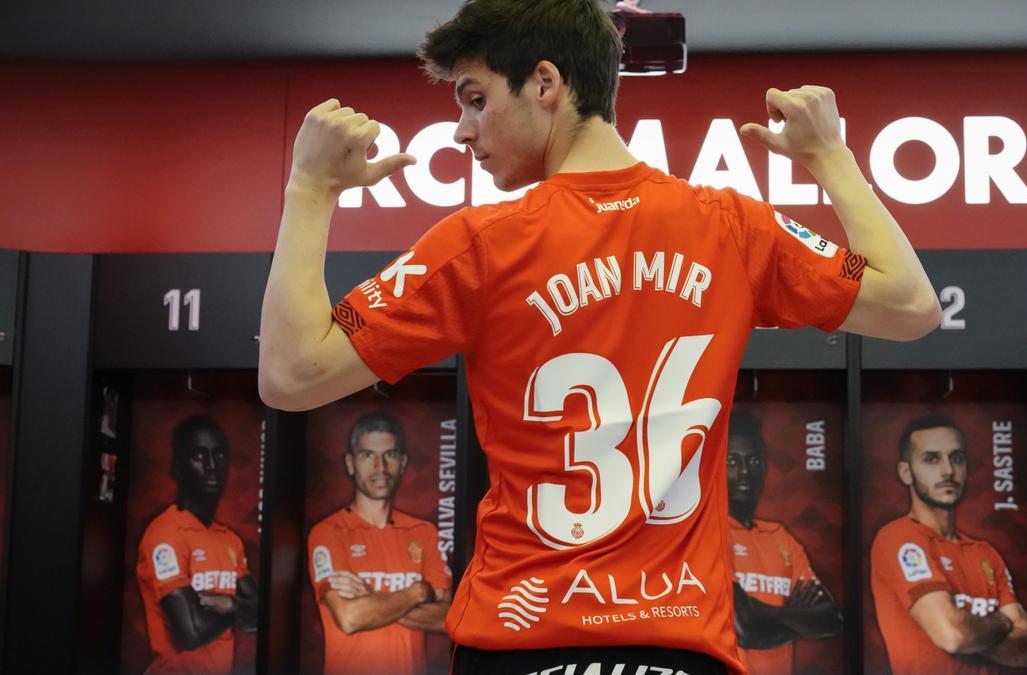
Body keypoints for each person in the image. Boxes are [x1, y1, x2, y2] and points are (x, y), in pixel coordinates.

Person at [258, 0, 939, 670]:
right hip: (681, 651)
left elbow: (289, 375)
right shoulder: (730, 225)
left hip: (519, 645)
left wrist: (311, 188)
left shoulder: (479, 243)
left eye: (474, 98)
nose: (463, 131)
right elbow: (911, 305)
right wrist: (829, 155)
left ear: (546, 84)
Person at [870, 415, 1027, 674]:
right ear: (905, 472)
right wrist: (1001, 624)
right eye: (932, 459)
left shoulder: (986, 553)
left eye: (956, 458)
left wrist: (971, 632)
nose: (948, 471)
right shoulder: (897, 538)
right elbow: (953, 635)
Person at [308, 412, 452, 674]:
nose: (380, 467)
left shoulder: (424, 532)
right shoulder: (328, 533)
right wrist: (416, 594)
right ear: (350, 463)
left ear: (403, 462)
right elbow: (350, 618)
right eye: (367, 455)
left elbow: (447, 620)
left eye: (390, 455)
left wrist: (373, 599)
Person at [136, 415, 258, 674]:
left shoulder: (229, 540)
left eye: (220, 455)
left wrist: (229, 606)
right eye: (199, 456)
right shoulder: (165, 535)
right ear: (178, 468)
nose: (212, 466)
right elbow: (191, 632)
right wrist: (237, 607)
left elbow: (263, 613)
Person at [726, 409, 841, 674]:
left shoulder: (781, 538)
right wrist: (794, 615)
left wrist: (766, 614)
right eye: (732, 461)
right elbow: (746, 629)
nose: (745, 472)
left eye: (754, 461)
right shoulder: (709, 534)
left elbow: (830, 619)